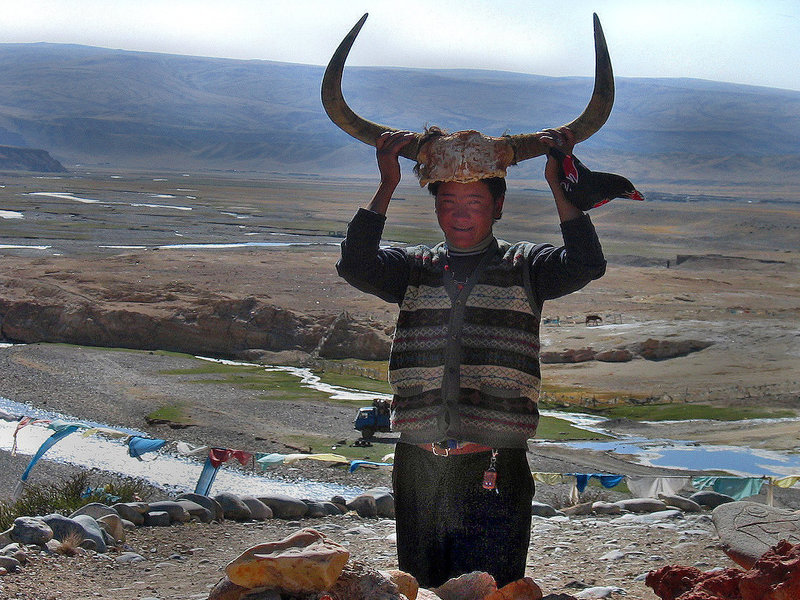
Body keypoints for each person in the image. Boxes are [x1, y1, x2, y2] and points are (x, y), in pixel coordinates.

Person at [336, 126, 607, 587]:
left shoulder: (526, 266)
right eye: (448, 203)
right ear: (436, 207)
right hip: (419, 467)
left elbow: (585, 263)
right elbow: (356, 264)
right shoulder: (414, 267)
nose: (460, 215)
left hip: (495, 469)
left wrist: (558, 187)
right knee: (420, 591)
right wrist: (387, 184)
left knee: (491, 591)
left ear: (498, 207)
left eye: (475, 203)